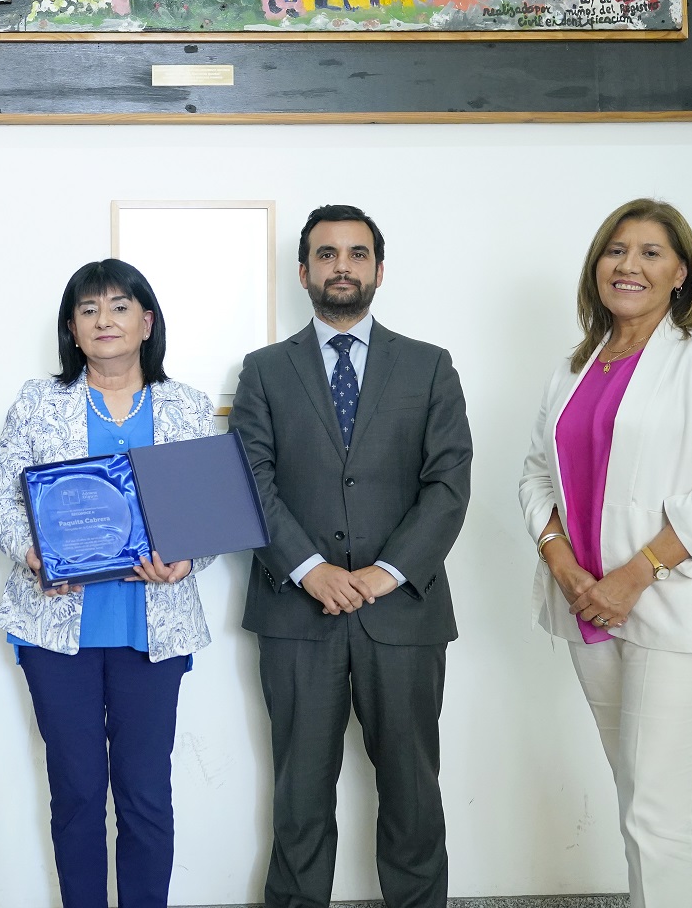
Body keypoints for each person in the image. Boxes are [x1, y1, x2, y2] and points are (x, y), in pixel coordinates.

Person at [518, 198, 692, 907]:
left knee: (659, 812)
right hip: (588, 609)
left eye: (650, 252)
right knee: (637, 796)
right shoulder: (575, 368)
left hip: (682, 609)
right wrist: (561, 562)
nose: (628, 264)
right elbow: (537, 474)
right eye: (615, 250)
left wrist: (634, 575)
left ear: (682, 275)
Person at [229, 204, 472, 908]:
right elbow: (252, 480)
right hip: (295, 614)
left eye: (357, 254)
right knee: (300, 798)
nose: (343, 266)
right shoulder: (265, 371)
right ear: (303, 271)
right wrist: (311, 569)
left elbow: (448, 483)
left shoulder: (429, 367)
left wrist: (384, 572)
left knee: (411, 794)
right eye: (327, 254)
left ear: (379, 270)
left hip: (403, 614)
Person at [0, 259, 218, 908]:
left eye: (119, 307)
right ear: (72, 330)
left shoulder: (185, 405)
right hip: (58, 632)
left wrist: (186, 559)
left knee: (145, 795)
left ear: (146, 322)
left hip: (152, 630)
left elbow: (206, 519)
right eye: (88, 310)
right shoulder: (40, 402)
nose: (104, 320)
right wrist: (35, 556)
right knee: (78, 791)